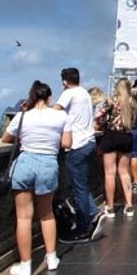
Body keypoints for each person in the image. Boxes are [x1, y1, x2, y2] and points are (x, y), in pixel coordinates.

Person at [1, 80, 71, 275]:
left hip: (24, 163)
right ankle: (51, 257)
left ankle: (25, 265)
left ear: (32, 97)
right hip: (48, 163)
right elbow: (66, 143)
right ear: (49, 97)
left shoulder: (23, 116)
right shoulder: (60, 116)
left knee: (23, 217)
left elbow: (5, 138)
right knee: (46, 213)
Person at [53, 67, 97, 242]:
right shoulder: (85, 94)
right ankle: (93, 213)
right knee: (82, 185)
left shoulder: (69, 93)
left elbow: (53, 112)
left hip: (77, 145)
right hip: (89, 142)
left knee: (78, 189)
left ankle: (82, 229)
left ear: (64, 81)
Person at [93, 77, 136, 228]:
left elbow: (99, 116)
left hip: (111, 136)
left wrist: (98, 123)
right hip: (126, 136)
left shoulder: (112, 101)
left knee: (110, 173)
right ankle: (129, 204)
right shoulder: (132, 102)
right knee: (124, 172)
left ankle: (110, 207)